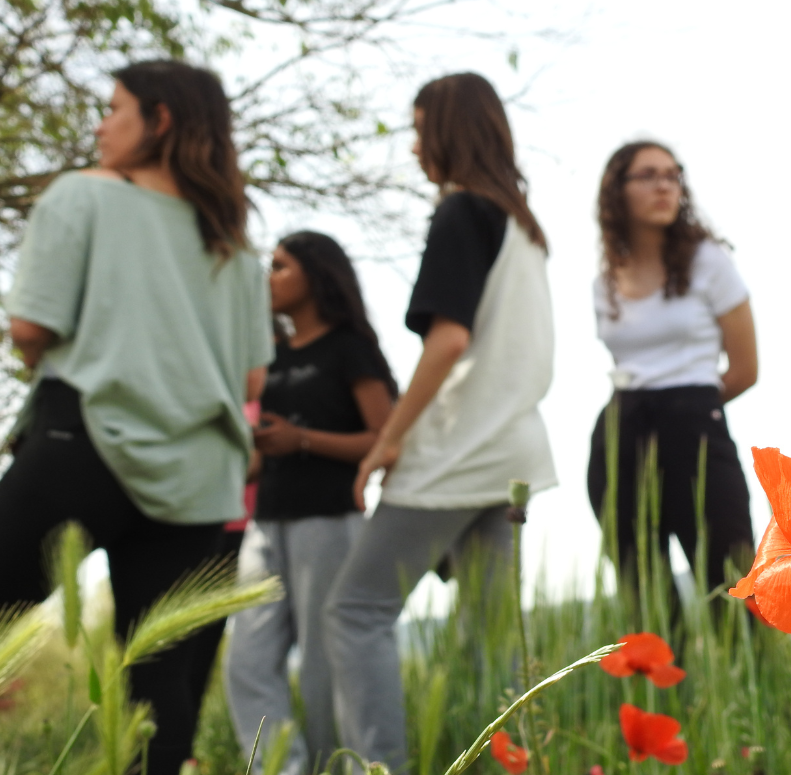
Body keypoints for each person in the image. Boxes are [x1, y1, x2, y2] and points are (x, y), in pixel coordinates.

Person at [0, 60, 272, 773]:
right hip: (201, 478)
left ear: (159, 119)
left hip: (82, 445)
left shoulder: (81, 197)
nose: (101, 125)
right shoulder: (234, 247)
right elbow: (251, 378)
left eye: (114, 109)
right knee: (159, 684)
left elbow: (28, 328)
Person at [323, 72, 555, 770]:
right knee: (491, 635)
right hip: (511, 445)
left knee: (355, 609)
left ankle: (378, 767)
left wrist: (387, 441)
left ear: (446, 131)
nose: (415, 145)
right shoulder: (523, 226)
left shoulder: (460, 211)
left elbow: (448, 341)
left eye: (420, 128)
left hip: (459, 444)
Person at [225, 231, 397, 773]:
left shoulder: (350, 348)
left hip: (330, 521)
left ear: (315, 274)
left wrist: (303, 440)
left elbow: (386, 438)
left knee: (326, 670)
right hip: (266, 522)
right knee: (246, 663)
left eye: (279, 266)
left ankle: (335, 765)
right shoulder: (267, 355)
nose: (268, 277)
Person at [586, 141, 758, 608]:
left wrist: (692, 410)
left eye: (672, 174)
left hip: (696, 428)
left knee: (731, 581)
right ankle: (667, 679)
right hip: (621, 432)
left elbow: (745, 370)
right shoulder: (606, 282)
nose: (664, 184)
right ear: (617, 191)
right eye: (647, 175)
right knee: (644, 592)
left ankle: (744, 679)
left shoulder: (709, 261)